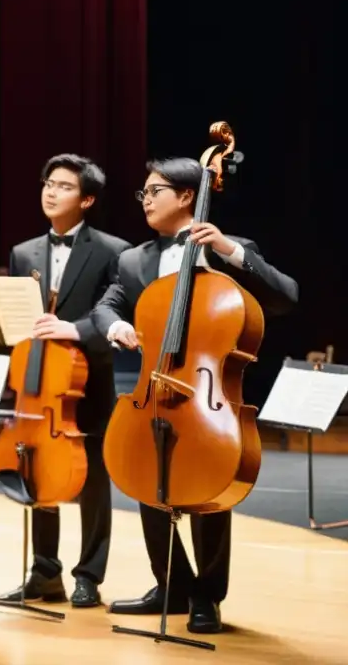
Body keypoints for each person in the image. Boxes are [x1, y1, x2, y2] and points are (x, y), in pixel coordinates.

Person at [91, 157, 298, 634]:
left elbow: (286, 296)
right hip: (154, 389)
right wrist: (118, 325)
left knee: (209, 488)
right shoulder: (133, 259)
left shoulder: (231, 249)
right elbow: (107, 306)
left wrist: (228, 250)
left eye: (154, 191)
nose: (145, 199)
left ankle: (207, 594)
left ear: (187, 196)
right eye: (142, 193)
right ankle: (170, 586)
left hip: (207, 396)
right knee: (145, 475)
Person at [0, 154, 130, 608]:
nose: (50, 192)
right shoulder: (23, 253)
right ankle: (44, 573)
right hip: (38, 382)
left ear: (87, 199)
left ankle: (89, 575)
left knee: (92, 480)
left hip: (86, 378)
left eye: (64, 186)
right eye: (47, 183)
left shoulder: (114, 251)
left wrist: (73, 329)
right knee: (40, 471)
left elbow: (114, 315)